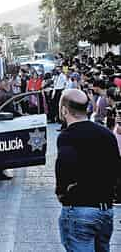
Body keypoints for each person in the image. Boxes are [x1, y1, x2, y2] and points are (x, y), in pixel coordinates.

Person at [56, 89, 120, 252]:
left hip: (80, 209)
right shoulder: (107, 134)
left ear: (64, 110)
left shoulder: (67, 136)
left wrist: (62, 191)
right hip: (105, 210)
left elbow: (64, 166)